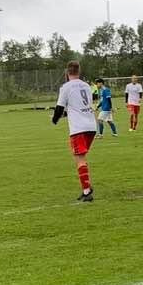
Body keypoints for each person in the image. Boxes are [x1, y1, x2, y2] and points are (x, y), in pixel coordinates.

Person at [53, 61, 97, 202]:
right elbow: (81, 106)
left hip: (78, 128)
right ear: (79, 71)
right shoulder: (86, 86)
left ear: (67, 72)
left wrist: (55, 119)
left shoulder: (65, 87)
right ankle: (87, 187)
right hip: (91, 126)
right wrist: (66, 114)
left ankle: (87, 191)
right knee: (81, 157)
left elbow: (59, 108)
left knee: (80, 159)